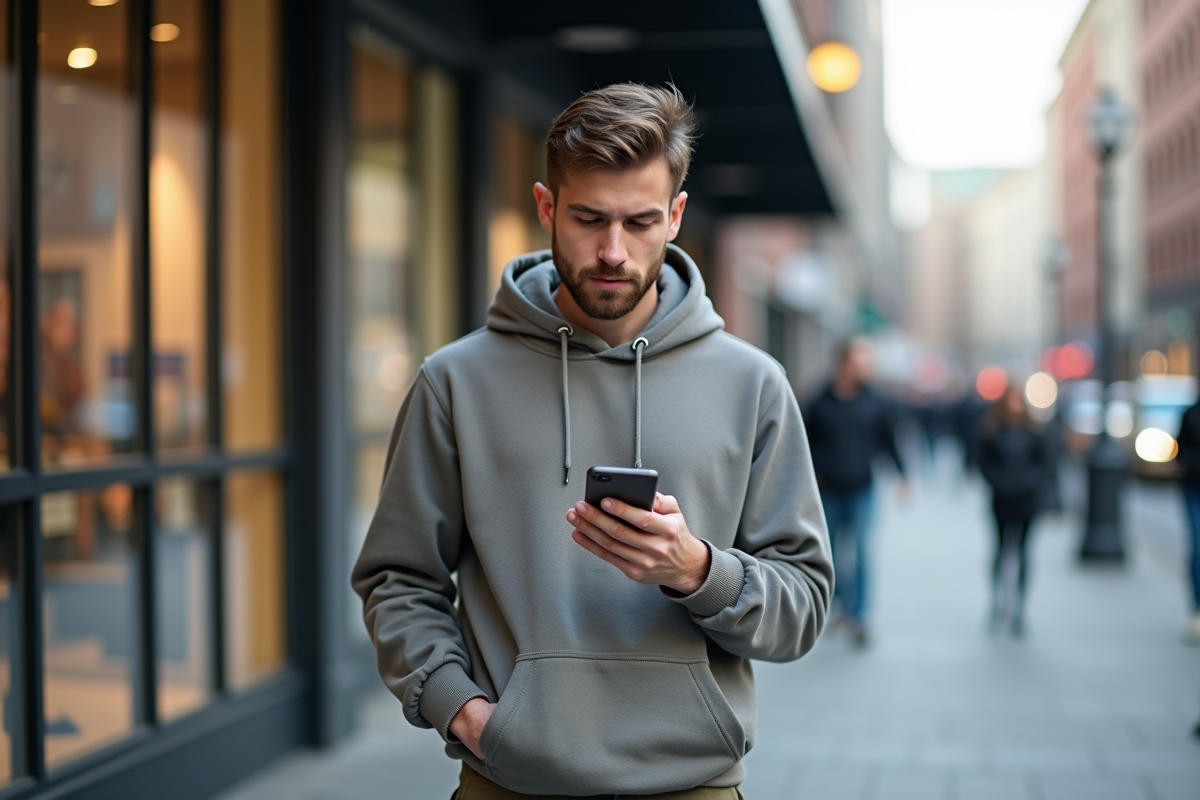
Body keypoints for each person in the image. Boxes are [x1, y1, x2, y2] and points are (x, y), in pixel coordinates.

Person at [352, 84, 832, 799]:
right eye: (588, 219)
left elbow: (804, 606)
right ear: (547, 207)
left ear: (675, 216)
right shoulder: (455, 381)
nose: (613, 251)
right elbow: (398, 579)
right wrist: (464, 711)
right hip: (507, 780)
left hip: (693, 783)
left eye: (640, 222)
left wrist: (698, 568)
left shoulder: (752, 384)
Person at [805, 337, 907, 647]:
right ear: (844, 363)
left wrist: (903, 476)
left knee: (862, 551)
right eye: (861, 360)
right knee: (832, 553)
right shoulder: (819, 402)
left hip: (863, 489)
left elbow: (888, 440)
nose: (867, 367)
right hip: (828, 491)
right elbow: (803, 445)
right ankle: (838, 606)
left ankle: (859, 616)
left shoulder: (876, 402)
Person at [976, 382, 1050, 637]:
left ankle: (1019, 607)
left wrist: (1030, 483)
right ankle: (997, 600)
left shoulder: (1034, 431)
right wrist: (1001, 482)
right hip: (1001, 499)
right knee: (1000, 550)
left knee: (1023, 553)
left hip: (1027, 501)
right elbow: (983, 463)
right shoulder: (992, 430)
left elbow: (1044, 463)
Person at [1174, 398, 1200, 644]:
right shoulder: (1191, 413)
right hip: (1194, 488)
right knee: (1198, 547)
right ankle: (1197, 609)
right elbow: (1179, 448)